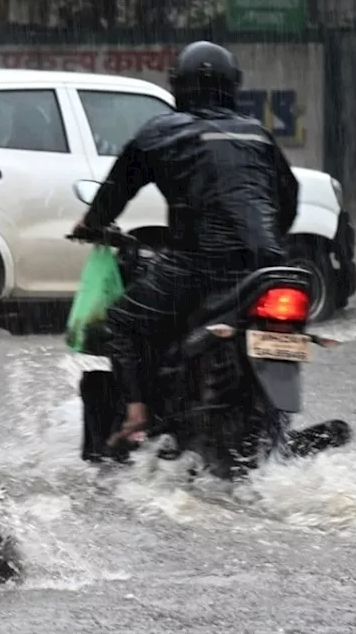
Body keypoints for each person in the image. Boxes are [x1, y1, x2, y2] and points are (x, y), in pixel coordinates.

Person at [71, 41, 300, 450]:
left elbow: (114, 193)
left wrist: (90, 225)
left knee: (121, 321)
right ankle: (279, 431)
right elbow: (288, 199)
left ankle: (135, 417)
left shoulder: (161, 132)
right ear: (233, 87)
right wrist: (265, 245)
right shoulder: (258, 135)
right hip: (266, 271)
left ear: (179, 86)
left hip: (198, 265)